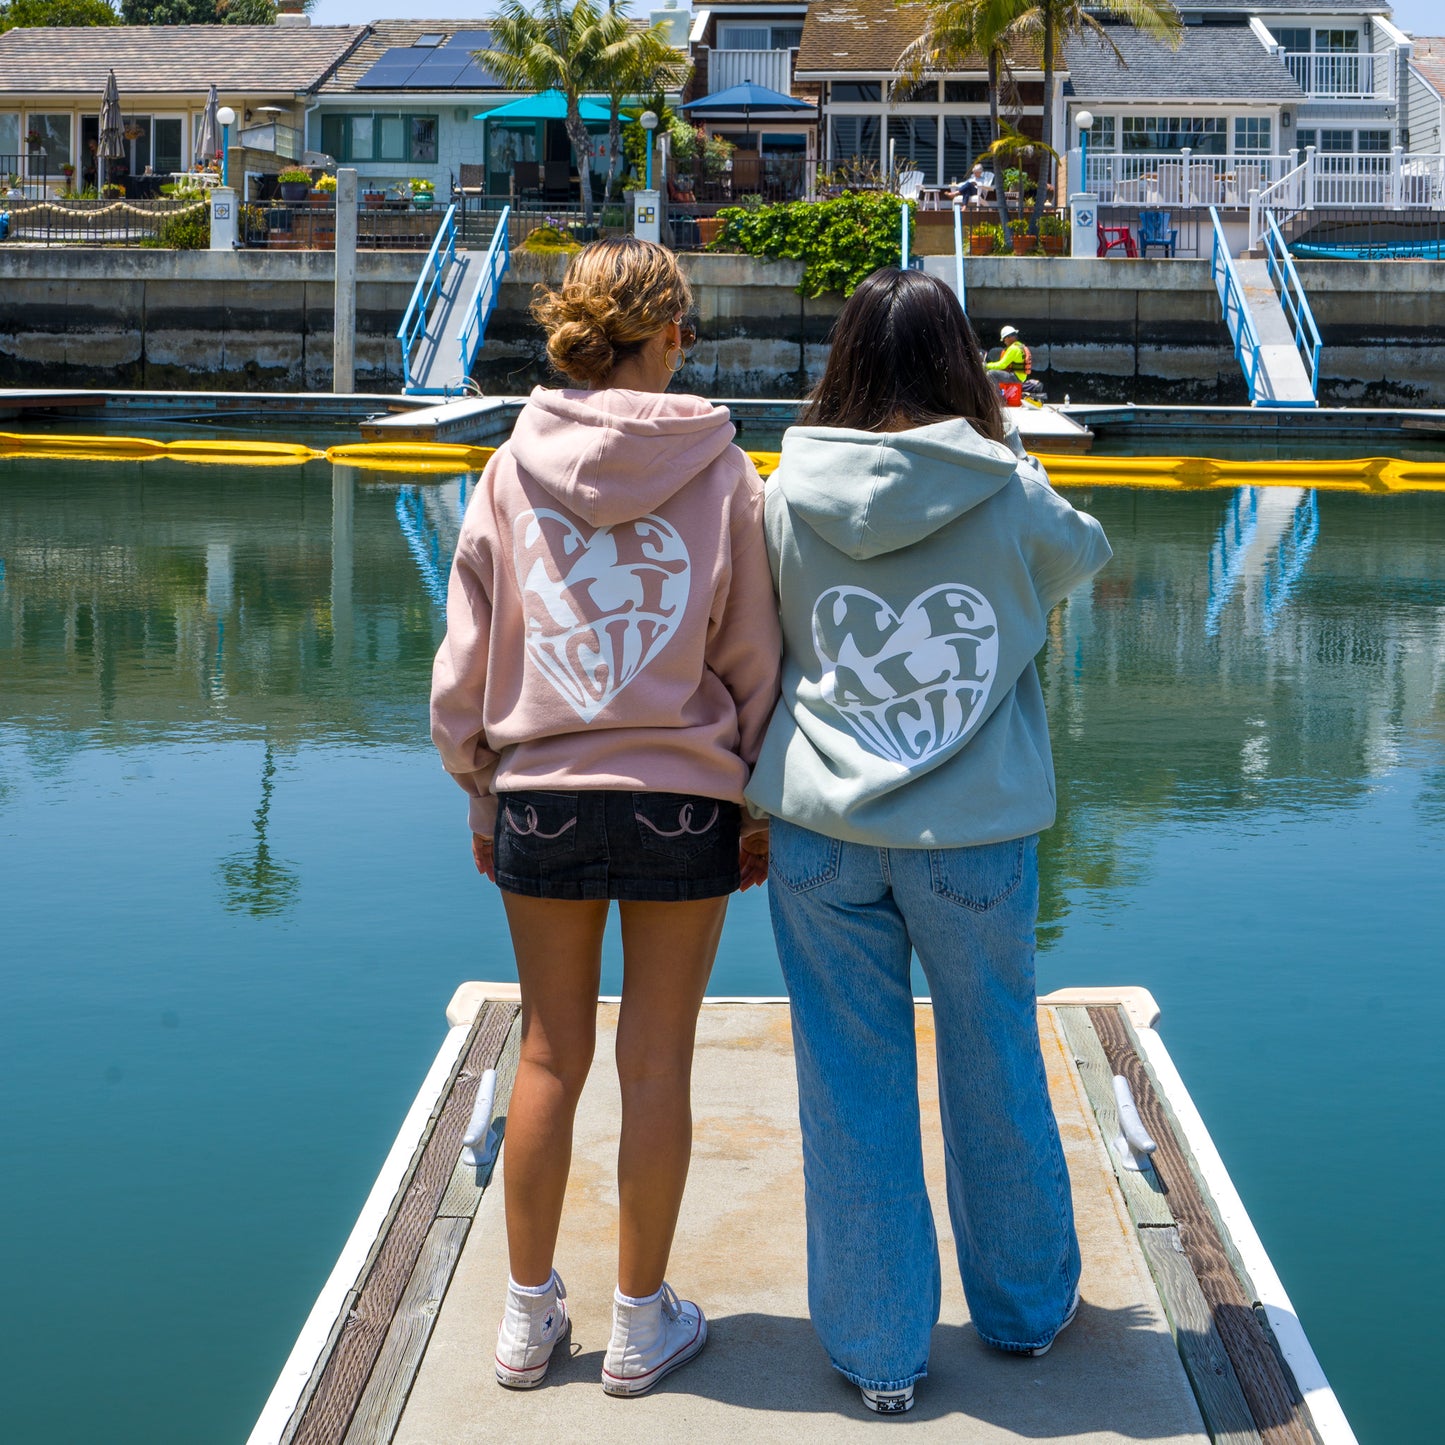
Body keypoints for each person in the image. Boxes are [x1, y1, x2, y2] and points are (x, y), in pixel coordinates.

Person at [745, 268, 1111, 1415]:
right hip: (974, 833)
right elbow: (1080, 558)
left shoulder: (781, 488)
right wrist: (1019, 461)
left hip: (821, 830)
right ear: (959, 360)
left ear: (842, 357)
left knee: (846, 1082)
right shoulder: (1007, 487)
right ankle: (1023, 1313)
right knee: (994, 1060)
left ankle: (877, 1350)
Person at [431, 237, 780, 1398]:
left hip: (541, 791)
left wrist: (479, 778)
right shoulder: (723, 468)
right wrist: (752, 792)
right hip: (683, 791)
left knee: (548, 1050)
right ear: (670, 331)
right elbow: (749, 653)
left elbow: (466, 653)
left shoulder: (507, 465)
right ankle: (640, 1324)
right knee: (656, 1058)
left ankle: (528, 1322)